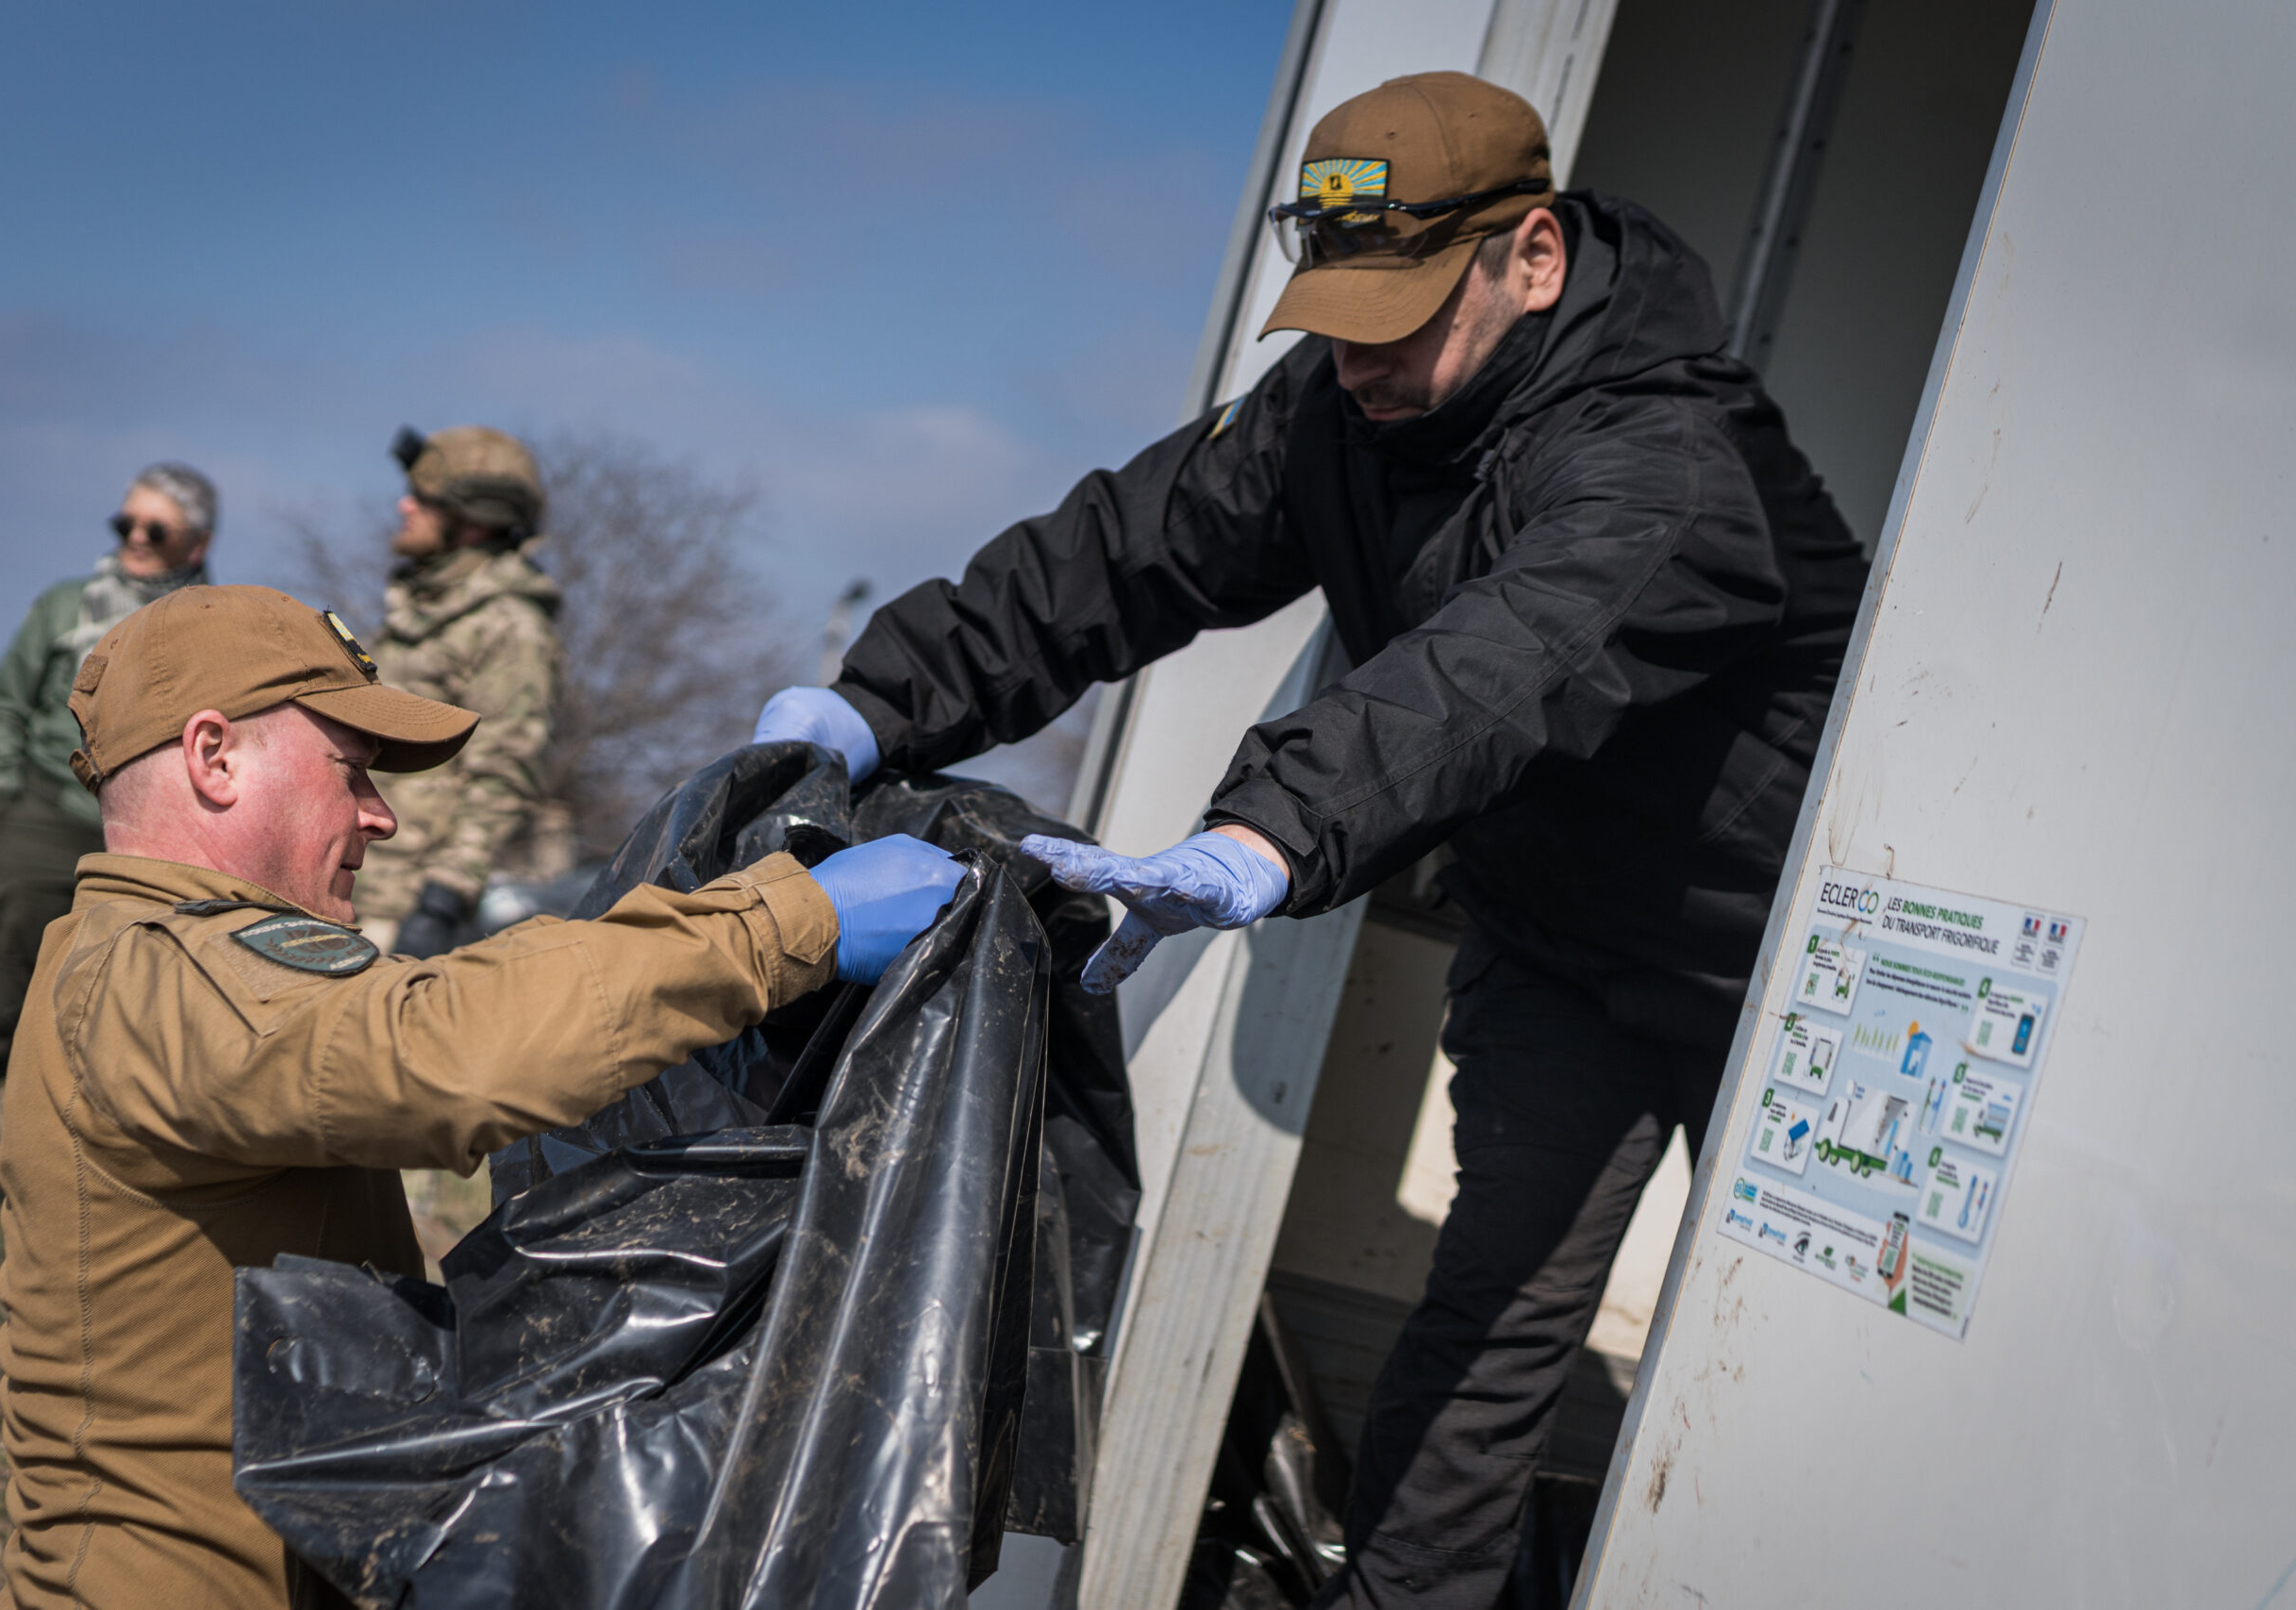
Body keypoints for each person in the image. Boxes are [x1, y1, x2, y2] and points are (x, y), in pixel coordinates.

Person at [755, 73, 1869, 1607]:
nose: (1359, 358)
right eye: (1337, 316)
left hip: (1775, 970)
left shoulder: (1671, 460)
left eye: (1401, 316)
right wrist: (865, 707)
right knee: (1488, 1317)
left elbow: (1504, 661)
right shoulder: (1339, 408)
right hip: (1558, 947)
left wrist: (1263, 834)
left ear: (1530, 258)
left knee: (1804, 1354)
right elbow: (1117, 559)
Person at [0, 584, 961, 1610]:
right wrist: (781, 924)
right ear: (213, 757)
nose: (382, 814)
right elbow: (438, 1049)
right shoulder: (157, 978)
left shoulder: (154, 968)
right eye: (350, 771)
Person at [0, 462, 218, 1229]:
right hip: (41, 822)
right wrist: (4, 798)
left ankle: (66, 1191)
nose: (135, 541)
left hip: (142, 841)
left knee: (111, 1015)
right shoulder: (67, 606)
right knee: (1, 990)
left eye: (156, 529)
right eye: (125, 525)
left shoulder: (206, 622)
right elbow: (7, 700)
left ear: (197, 543)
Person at [354, 425, 564, 957]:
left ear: (474, 520)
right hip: (355, 885)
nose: (404, 507)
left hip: (404, 911)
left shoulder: (509, 625)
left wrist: (441, 901)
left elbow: (504, 770)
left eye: (423, 499)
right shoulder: (420, 610)